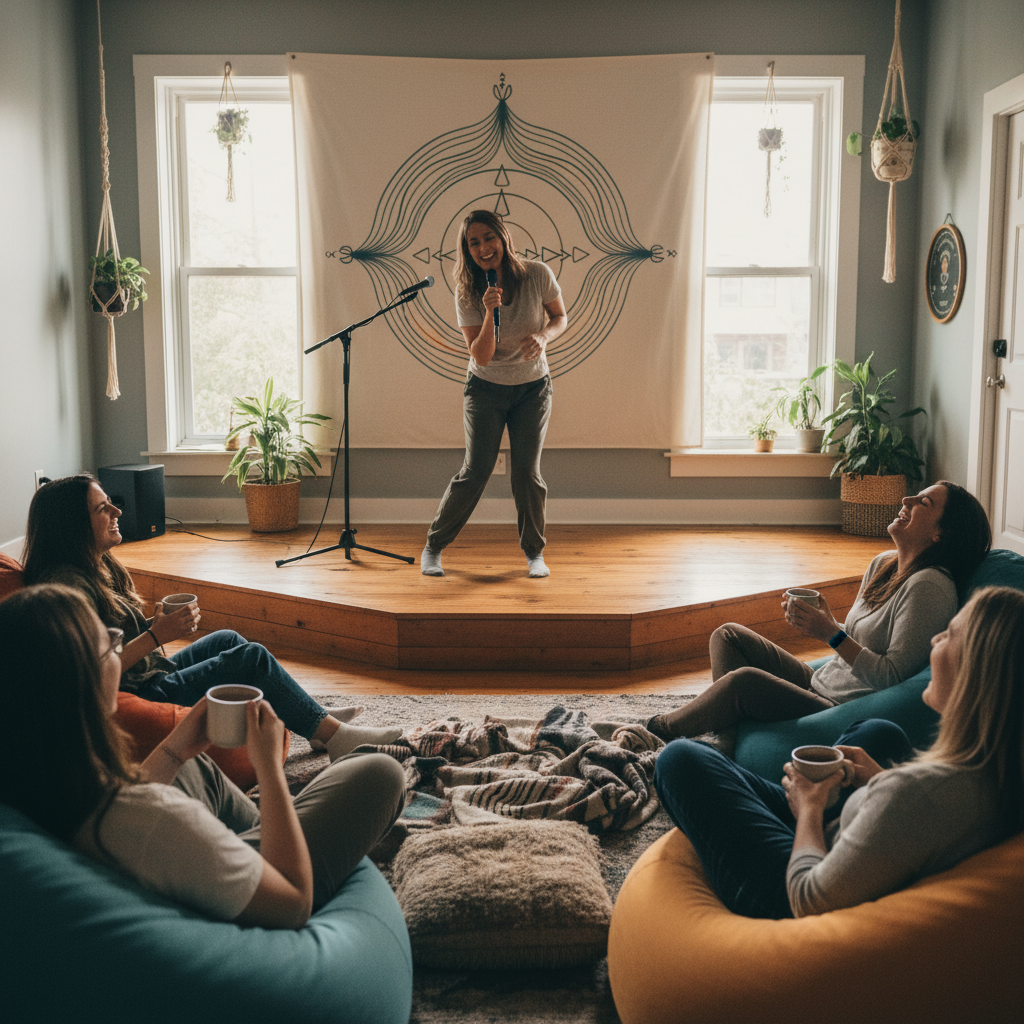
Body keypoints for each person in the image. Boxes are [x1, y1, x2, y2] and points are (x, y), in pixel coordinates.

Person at [0, 584, 406, 927]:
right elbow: (294, 903)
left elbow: (125, 802)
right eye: (108, 644)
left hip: (170, 854)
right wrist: (268, 769)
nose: (115, 645)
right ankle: (310, 801)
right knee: (379, 772)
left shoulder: (40, 781)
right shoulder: (154, 819)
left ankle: (288, 807)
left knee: (194, 764)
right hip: (262, 892)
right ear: (79, 680)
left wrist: (176, 748)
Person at [653, 584, 1024, 919]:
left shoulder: (911, 796)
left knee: (680, 759)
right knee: (879, 732)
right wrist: (879, 779)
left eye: (950, 635)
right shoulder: (996, 773)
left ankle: (661, 730)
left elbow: (806, 899)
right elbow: (920, 814)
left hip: (791, 893)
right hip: (856, 841)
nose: (935, 640)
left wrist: (809, 809)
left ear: (977, 676)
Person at [22, 474, 402, 760]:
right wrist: (157, 636)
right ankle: (335, 738)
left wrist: (157, 627)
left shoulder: (98, 564)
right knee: (250, 659)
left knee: (227, 639)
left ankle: (313, 721)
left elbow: (117, 635)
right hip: (144, 692)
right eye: (102, 508)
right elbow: (90, 673)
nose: (118, 511)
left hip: (150, 672)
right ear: (72, 525)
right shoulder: (67, 587)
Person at [647, 481, 991, 741]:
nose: (906, 500)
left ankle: (655, 730)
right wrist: (826, 622)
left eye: (923, 502)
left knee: (743, 683)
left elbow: (891, 677)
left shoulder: (930, 587)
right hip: (819, 682)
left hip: (837, 708)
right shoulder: (883, 564)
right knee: (727, 636)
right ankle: (730, 738)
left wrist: (830, 633)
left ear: (941, 533)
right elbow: (860, 639)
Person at [421, 210, 568, 578]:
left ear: (503, 238)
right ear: (467, 250)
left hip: (533, 388)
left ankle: (534, 553)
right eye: (474, 242)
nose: (483, 247)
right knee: (476, 471)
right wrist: (490, 312)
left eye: (489, 237)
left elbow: (559, 317)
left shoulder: (538, 274)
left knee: (527, 474)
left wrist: (543, 336)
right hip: (485, 389)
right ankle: (433, 547)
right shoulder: (467, 291)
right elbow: (482, 356)